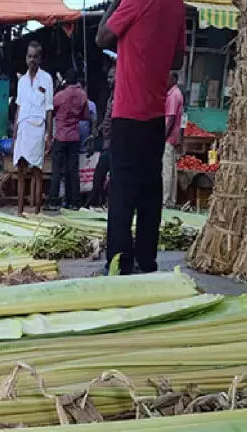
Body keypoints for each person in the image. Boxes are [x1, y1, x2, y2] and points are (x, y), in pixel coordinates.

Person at [97, 0, 185, 275]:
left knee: (122, 192)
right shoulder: (177, 6)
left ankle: (119, 264)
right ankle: (146, 261)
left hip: (128, 114)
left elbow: (102, 37)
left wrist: (114, 3)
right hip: (155, 115)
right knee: (150, 191)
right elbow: (178, 60)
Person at [12, 41, 54, 215]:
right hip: (22, 127)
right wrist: (14, 134)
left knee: (37, 170)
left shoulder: (47, 79)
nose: (32, 60)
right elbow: (18, 108)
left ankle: (36, 211)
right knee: (21, 169)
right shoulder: (21, 81)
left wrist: (48, 135)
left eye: (35, 57)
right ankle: (20, 210)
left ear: (40, 58)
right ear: (26, 58)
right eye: (30, 56)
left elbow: (49, 108)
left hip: (38, 129)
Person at [48, 68, 90, 211]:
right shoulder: (83, 96)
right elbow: (85, 116)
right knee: (73, 171)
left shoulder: (60, 96)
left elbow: (50, 110)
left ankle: (53, 201)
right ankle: (74, 202)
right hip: (74, 137)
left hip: (60, 136)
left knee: (57, 170)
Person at [88, 65, 116, 209]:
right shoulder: (111, 96)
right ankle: (100, 202)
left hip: (113, 143)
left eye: (112, 76)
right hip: (107, 142)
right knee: (102, 174)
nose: (109, 80)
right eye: (108, 77)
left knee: (101, 174)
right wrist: (97, 132)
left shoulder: (120, 96)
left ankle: (96, 202)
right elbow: (107, 119)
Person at [163, 72, 184, 208]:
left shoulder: (173, 95)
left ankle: (165, 200)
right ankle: (170, 199)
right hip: (173, 137)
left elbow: (170, 118)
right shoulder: (177, 93)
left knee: (166, 169)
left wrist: (162, 136)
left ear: (174, 79)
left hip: (169, 138)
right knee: (172, 170)